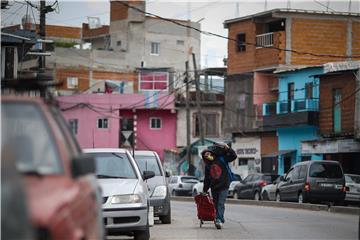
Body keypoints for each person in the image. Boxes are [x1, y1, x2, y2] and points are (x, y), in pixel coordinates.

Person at [201, 143, 237, 229]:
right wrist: (205, 190)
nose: (207, 156)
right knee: (216, 204)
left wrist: (228, 148)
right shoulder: (208, 165)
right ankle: (220, 217)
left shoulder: (222, 159)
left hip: (224, 184)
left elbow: (233, 156)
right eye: (205, 155)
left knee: (221, 203)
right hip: (214, 186)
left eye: (208, 154)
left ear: (212, 153)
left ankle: (218, 219)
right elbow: (207, 179)